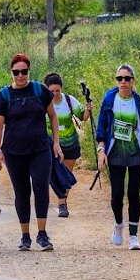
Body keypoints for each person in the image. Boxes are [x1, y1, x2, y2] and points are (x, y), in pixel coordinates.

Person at [0, 54, 63, 252]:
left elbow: (53, 117)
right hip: (14, 151)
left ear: (29, 71)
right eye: (16, 72)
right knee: (22, 191)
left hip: (40, 148)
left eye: (24, 71)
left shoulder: (40, 91)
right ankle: (25, 236)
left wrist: (56, 143)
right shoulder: (4, 96)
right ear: (11, 73)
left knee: (41, 187)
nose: (20, 75)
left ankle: (42, 233)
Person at [96, 63, 140, 251]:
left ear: (133, 81)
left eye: (127, 79)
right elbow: (102, 127)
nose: (123, 82)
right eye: (119, 79)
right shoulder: (109, 100)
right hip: (115, 154)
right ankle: (118, 225)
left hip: (136, 154)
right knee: (117, 195)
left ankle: (134, 236)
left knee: (133, 194)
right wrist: (101, 150)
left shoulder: (139, 102)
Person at [43, 72, 93, 217]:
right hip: (50, 144)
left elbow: (83, 118)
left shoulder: (69, 100)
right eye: (51, 91)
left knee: (66, 175)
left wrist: (88, 109)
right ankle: (58, 201)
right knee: (52, 173)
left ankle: (62, 203)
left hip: (70, 143)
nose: (55, 94)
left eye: (57, 90)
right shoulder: (42, 103)